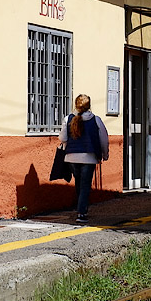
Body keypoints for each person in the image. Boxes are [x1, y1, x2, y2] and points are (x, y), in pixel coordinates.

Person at [59, 94, 109, 224]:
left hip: (71, 157)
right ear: (89, 105)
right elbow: (103, 139)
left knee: (79, 183)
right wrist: (105, 154)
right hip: (89, 157)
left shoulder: (68, 119)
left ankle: (81, 209)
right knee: (85, 185)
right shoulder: (96, 120)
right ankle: (82, 213)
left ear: (76, 105)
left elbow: (63, 138)